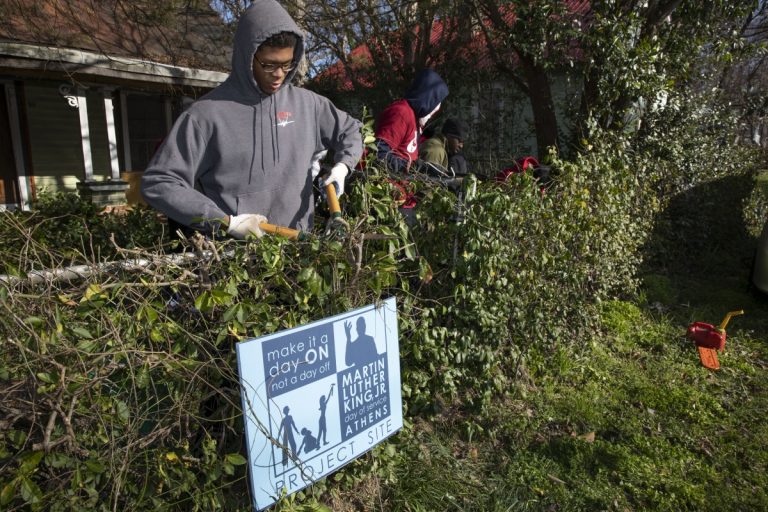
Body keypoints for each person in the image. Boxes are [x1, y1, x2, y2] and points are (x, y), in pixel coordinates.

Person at [141, 0, 363, 239]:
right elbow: (160, 182)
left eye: (287, 64)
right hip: (235, 260)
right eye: (269, 65)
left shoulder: (309, 105)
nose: (279, 74)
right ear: (248, 57)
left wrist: (342, 167)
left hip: (302, 248)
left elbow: (350, 131)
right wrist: (225, 222)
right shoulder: (205, 115)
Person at [374, 69, 449, 172]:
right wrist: (414, 168)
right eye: (435, 104)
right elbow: (379, 154)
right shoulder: (401, 113)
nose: (434, 113)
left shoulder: (415, 120)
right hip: (388, 185)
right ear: (428, 98)